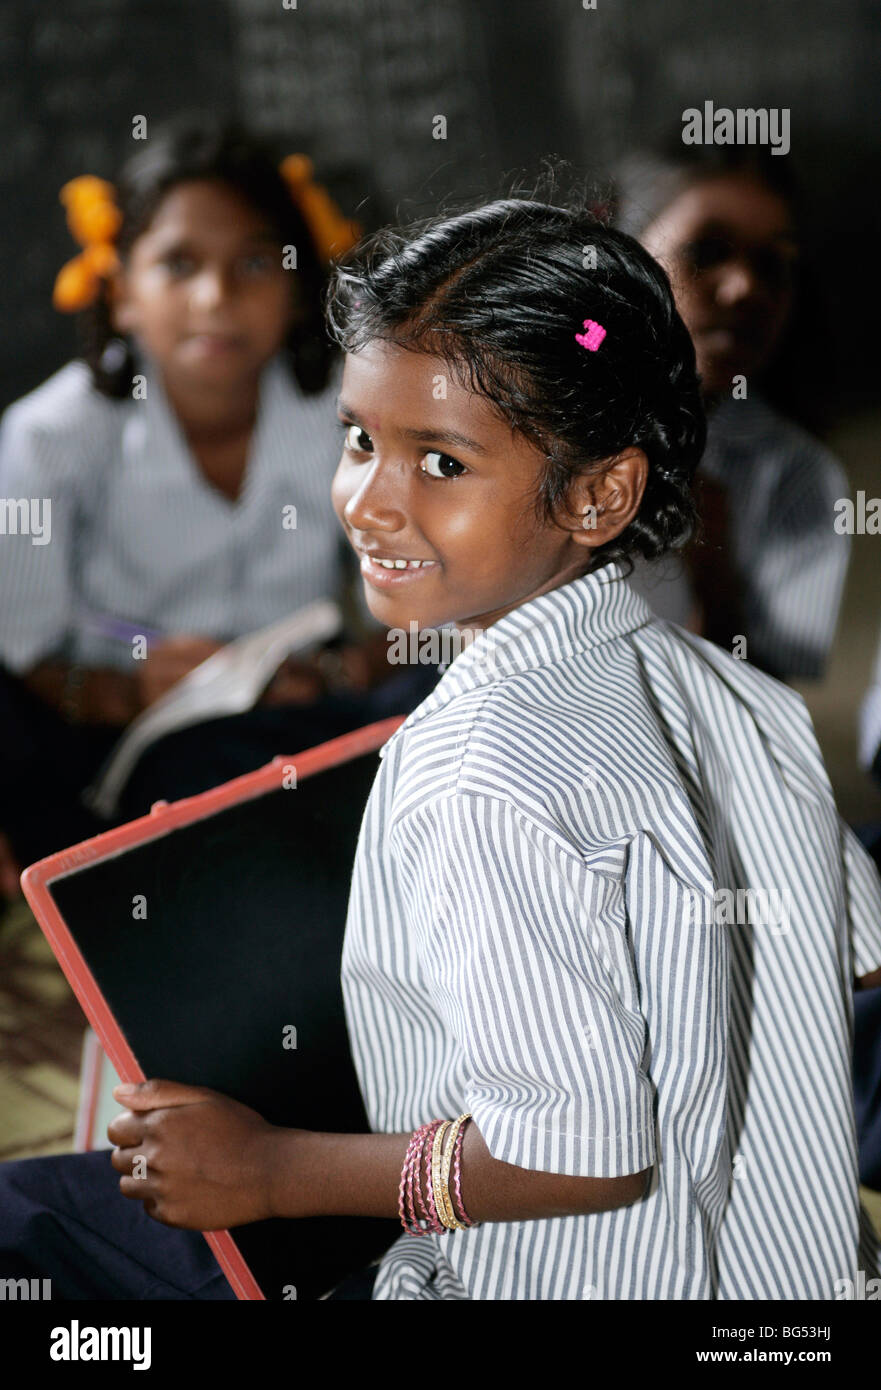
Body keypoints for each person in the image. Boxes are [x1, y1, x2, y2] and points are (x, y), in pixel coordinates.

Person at [1, 194, 879, 1301]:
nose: (369, 500)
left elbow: (576, 1154)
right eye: (362, 439)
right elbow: (851, 952)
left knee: (31, 1219)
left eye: (441, 463)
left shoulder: (477, 767)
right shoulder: (741, 696)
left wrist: (270, 1172)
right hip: (787, 1287)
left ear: (601, 492)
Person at [0, 119, 435, 878]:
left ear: (300, 288)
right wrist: (124, 690)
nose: (216, 296)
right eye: (177, 264)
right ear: (121, 291)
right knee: (199, 784)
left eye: (255, 262)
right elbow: (23, 657)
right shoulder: (51, 439)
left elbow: (431, 593)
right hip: (129, 743)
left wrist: (337, 672)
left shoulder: (350, 409)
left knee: (450, 694)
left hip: (312, 713)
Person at [613, 144, 851, 682]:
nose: (745, 288)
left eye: (773, 266)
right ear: (626, 253)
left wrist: (713, 574)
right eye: (704, 252)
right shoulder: (539, 404)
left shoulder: (798, 475)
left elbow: (771, 692)